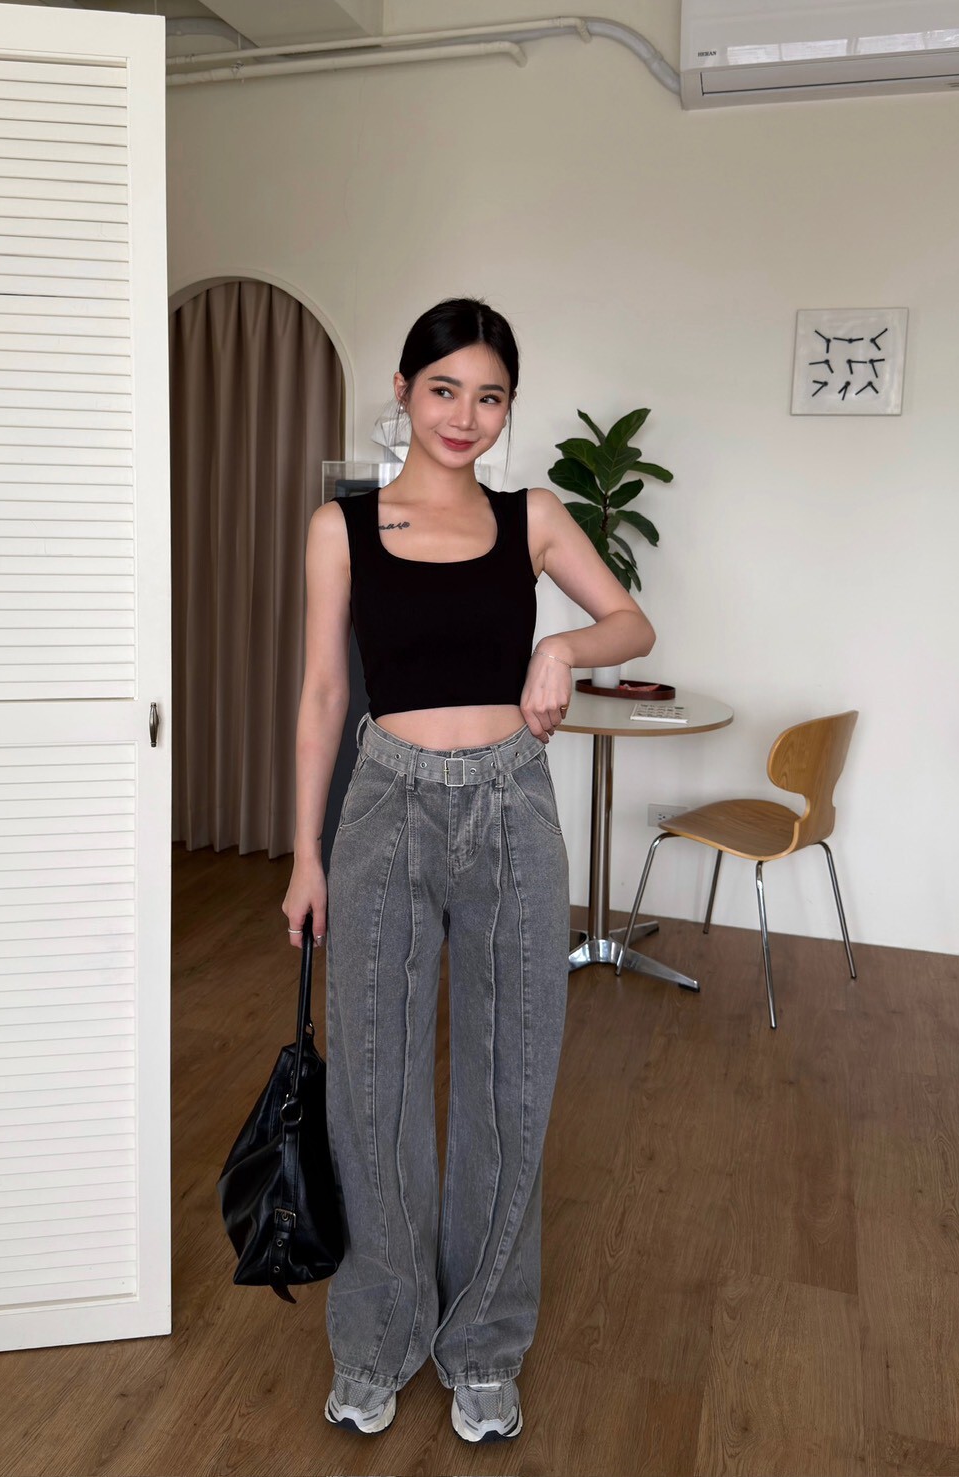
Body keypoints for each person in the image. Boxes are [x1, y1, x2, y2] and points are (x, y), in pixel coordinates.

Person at [282, 298, 655, 1444]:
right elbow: (325, 693)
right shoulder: (342, 525)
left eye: (489, 396)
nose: (465, 415)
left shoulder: (529, 514)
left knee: (511, 1082)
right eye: (444, 388)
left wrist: (561, 646)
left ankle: (484, 1346)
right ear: (403, 390)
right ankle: (376, 1338)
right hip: (383, 807)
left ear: (506, 408)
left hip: (509, 806)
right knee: (373, 1088)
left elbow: (630, 624)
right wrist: (304, 853)